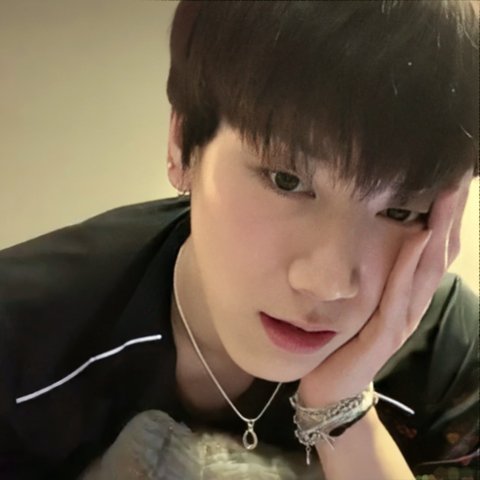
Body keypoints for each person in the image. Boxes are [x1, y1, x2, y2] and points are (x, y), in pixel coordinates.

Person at [0, 1, 478, 479]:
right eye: (287, 180)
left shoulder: (447, 352)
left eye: (400, 211)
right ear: (182, 145)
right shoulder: (22, 337)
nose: (329, 283)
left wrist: (342, 411)